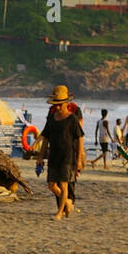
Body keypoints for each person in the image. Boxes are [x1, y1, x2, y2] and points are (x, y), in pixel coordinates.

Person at [37, 84, 84, 219]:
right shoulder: (51, 118)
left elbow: (80, 138)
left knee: (64, 184)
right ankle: (68, 202)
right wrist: (40, 156)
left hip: (67, 156)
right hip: (53, 155)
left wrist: (79, 159)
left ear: (65, 103)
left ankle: (59, 213)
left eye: (59, 104)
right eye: (55, 104)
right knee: (51, 185)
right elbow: (46, 138)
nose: (57, 107)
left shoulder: (72, 119)